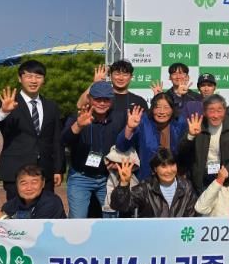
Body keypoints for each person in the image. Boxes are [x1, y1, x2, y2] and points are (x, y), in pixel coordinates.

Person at [0, 60, 63, 200]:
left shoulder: (51, 106)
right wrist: (3, 112)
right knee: (17, 211)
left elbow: (56, 140)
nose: (33, 81)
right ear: (20, 78)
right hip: (15, 171)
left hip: (45, 171)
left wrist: (58, 169)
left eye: (38, 77)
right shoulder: (7, 102)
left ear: (43, 80)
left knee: (45, 209)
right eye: (29, 76)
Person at [62, 81, 126, 218]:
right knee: (77, 220)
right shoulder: (78, 116)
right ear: (89, 99)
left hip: (108, 176)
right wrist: (78, 126)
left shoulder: (119, 118)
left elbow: (126, 145)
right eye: (97, 99)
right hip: (80, 176)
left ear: (112, 100)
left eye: (106, 99)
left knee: (112, 218)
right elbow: (64, 141)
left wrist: (118, 162)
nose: (102, 103)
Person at [177, 94, 229, 194]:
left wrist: (227, 171)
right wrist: (191, 136)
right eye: (211, 111)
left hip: (225, 175)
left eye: (219, 111)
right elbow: (182, 152)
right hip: (202, 176)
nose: (215, 115)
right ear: (204, 112)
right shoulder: (196, 124)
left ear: (225, 110)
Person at [116, 92, 186, 181]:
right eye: (157, 107)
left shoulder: (180, 123)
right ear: (152, 108)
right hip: (147, 178)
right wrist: (129, 128)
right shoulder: (143, 121)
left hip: (172, 176)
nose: (161, 112)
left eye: (166, 107)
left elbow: (185, 151)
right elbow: (121, 147)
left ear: (172, 109)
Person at [110, 148, 197, 217]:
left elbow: (192, 216)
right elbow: (120, 206)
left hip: (178, 232)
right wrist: (124, 183)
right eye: (163, 166)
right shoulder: (145, 188)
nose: (169, 170)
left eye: (172, 165)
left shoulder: (186, 186)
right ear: (155, 169)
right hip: (152, 233)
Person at [0, 165, 66, 220]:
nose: (29, 188)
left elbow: (36, 230)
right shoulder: (9, 206)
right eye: (23, 183)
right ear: (17, 185)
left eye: (34, 182)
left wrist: (4, 219)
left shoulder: (52, 202)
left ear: (43, 184)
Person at [76, 61, 148, 115]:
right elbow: (80, 105)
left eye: (125, 75)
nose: (121, 78)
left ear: (131, 77)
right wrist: (95, 84)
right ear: (110, 75)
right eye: (117, 74)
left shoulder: (139, 101)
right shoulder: (101, 97)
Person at [103, 146, 140, 218]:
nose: (117, 166)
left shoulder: (135, 182)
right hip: (112, 209)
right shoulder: (111, 178)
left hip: (128, 211)